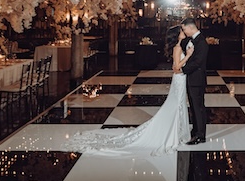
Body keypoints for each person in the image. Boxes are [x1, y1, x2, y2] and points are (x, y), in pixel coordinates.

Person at [62, 25, 192, 155]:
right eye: (181, 31)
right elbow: (176, 68)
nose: (184, 32)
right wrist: (188, 56)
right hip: (179, 79)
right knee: (176, 104)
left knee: (179, 104)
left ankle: (178, 131)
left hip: (181, 79)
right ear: (177, 35)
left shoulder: (181, 46)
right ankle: (174, 132)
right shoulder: (177, 48)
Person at [175, 17, 209, 145]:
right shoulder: (192, 40)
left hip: (197, 80)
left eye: (184, 29)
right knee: (194, 107)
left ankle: (200, 135)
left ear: (190, 27)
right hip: (192, 79)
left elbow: (198, 62)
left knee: (198, 107)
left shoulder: (201, 42)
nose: (184, 32)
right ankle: (196, 131)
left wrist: (183, 70)